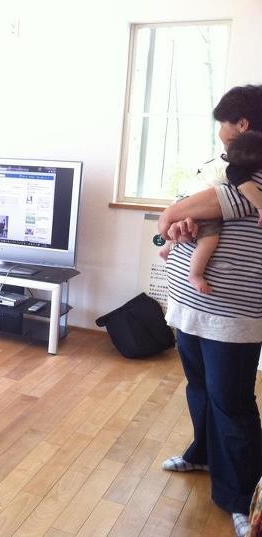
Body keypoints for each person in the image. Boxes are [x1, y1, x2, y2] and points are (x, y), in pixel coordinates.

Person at [158, 84, 262, 537]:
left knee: (232, 403)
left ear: (242, 124)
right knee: (199, 387)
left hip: (233, 313)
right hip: (191, 304)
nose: (220, 133)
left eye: (223, 124)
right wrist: (180, 223)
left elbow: (183, 209)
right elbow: (180, 218)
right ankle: (202, 453)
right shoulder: (227, 170)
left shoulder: (252, 175)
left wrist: (177, 213)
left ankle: (242, 497)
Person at [160, 129, 262, 294]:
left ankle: (166, 249)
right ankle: (195, 274)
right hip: (199, 210)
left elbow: (173, 211)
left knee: (178, 227)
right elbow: (247, 188)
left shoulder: (214, 162)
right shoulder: (234, 171)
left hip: (186, 199)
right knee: (209, 240)